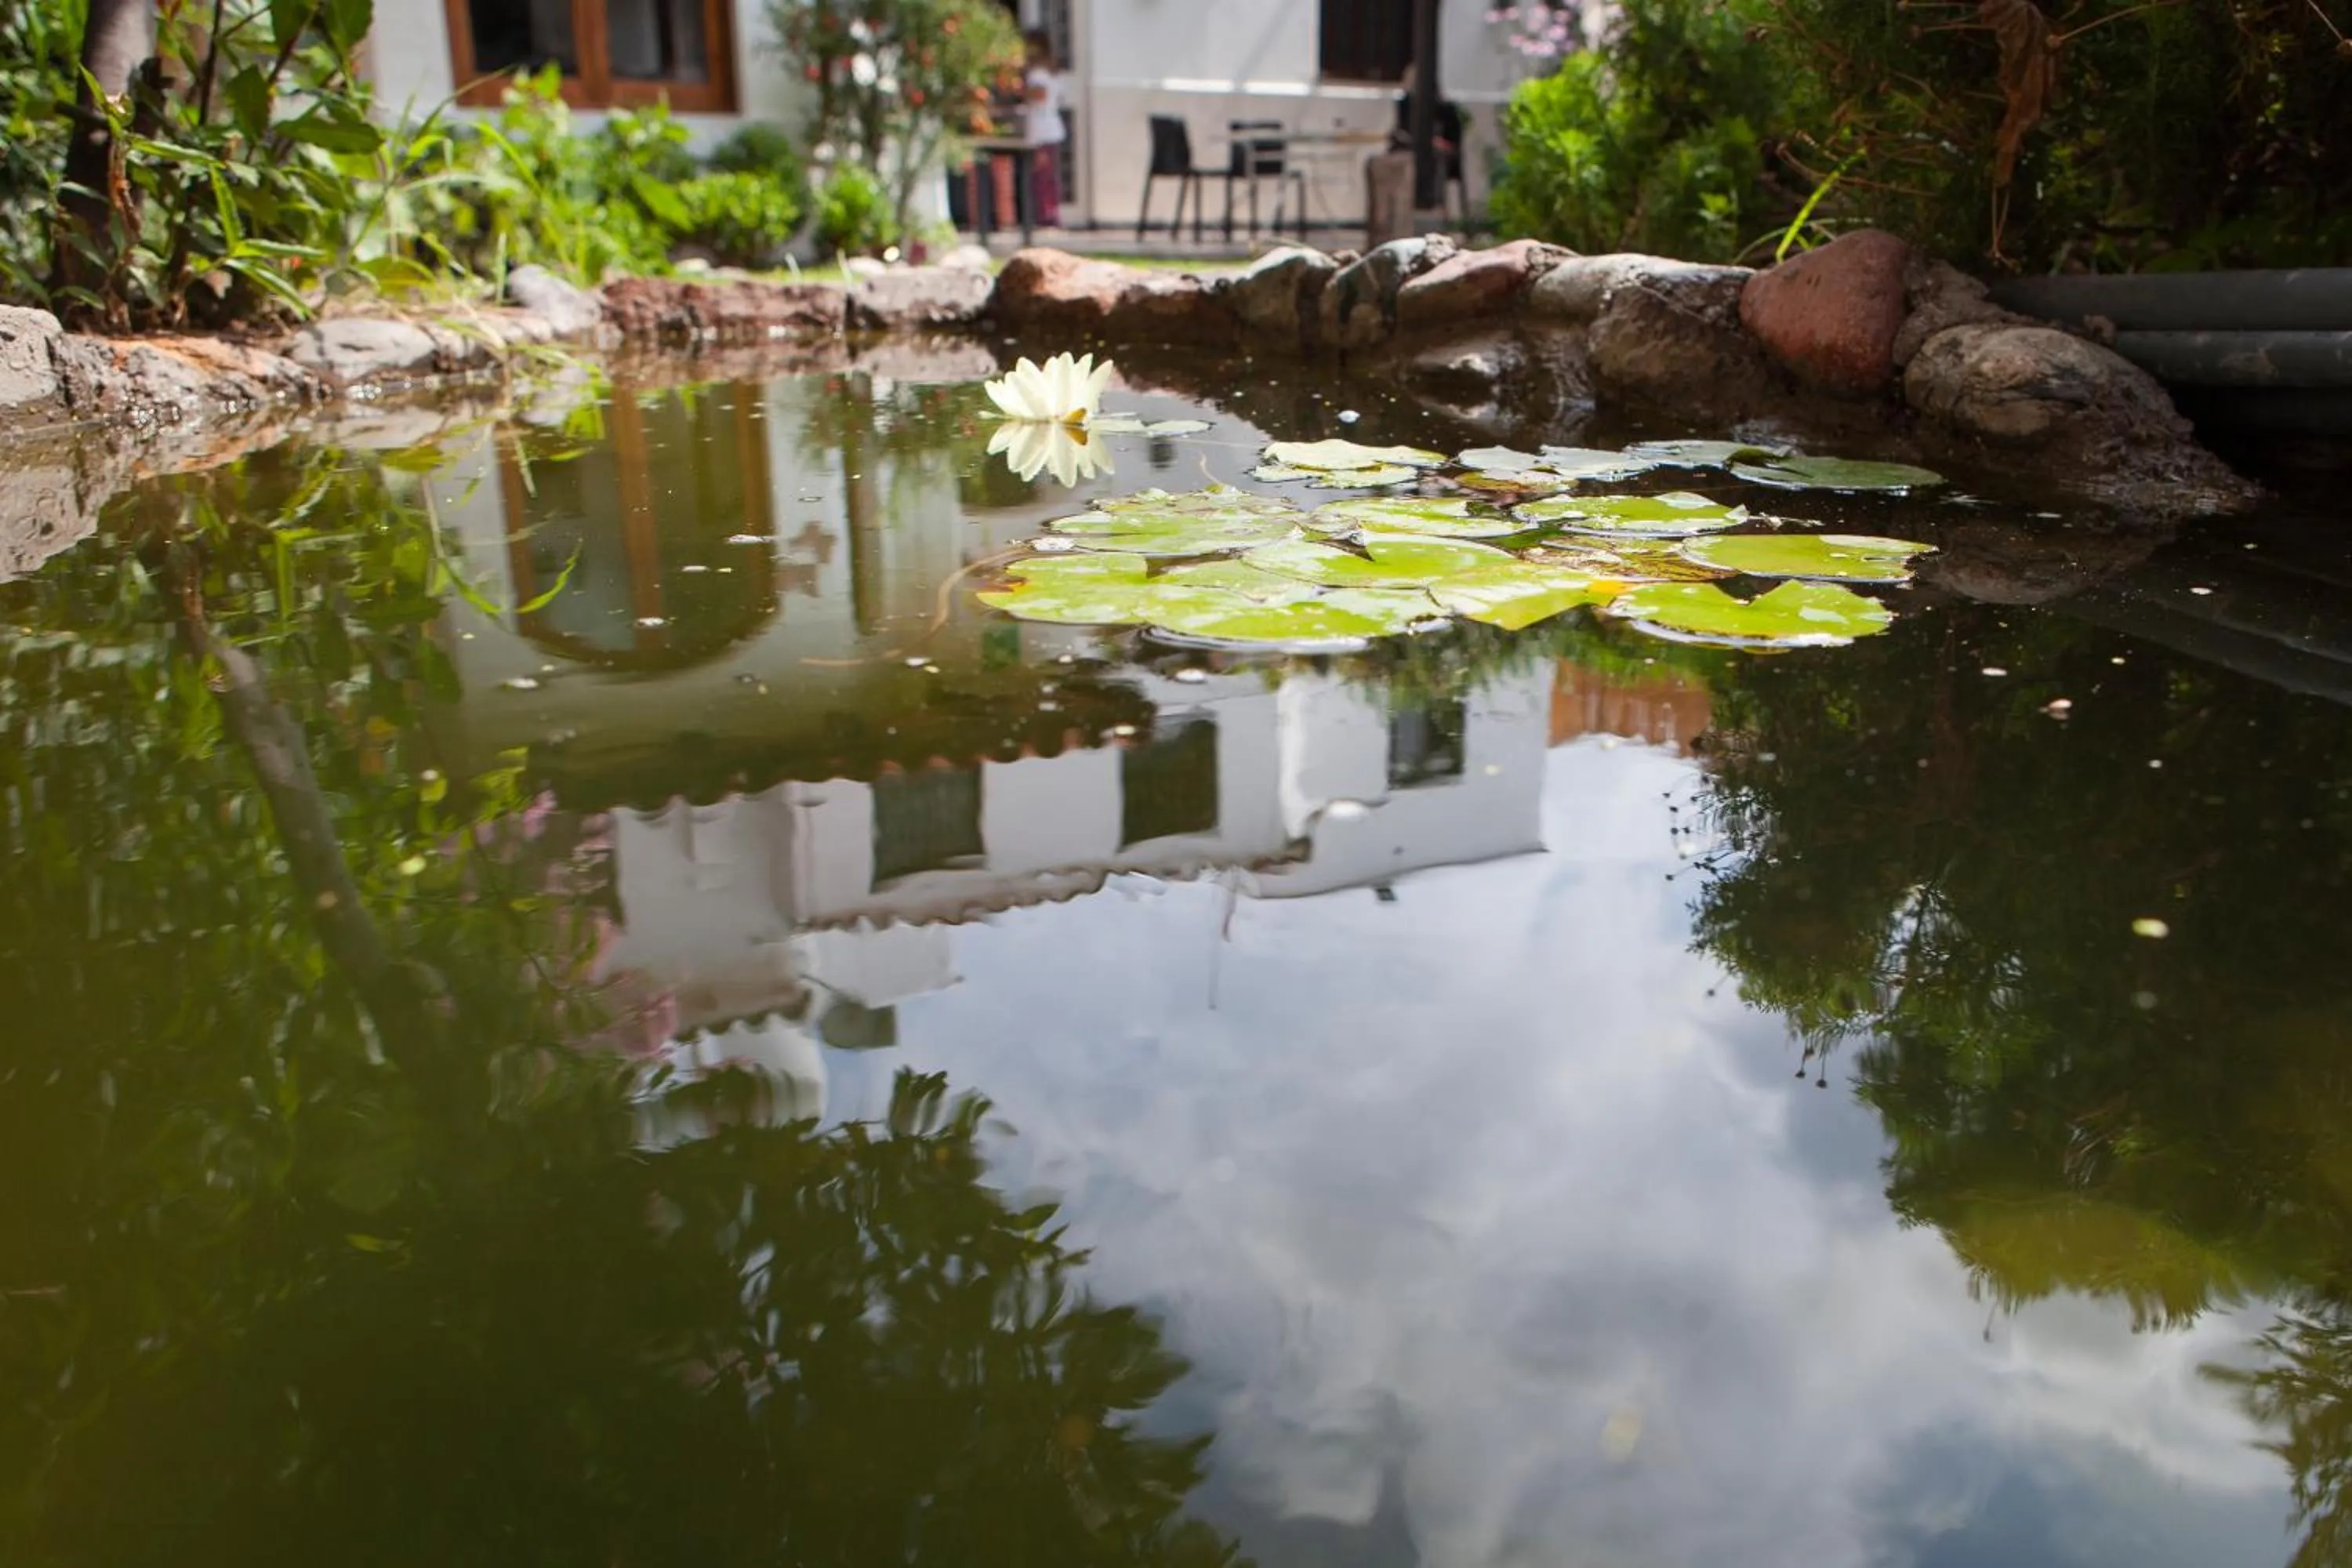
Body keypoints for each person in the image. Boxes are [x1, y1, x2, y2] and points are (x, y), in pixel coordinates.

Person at [1022, 30, 1067, 229]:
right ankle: (1049, 214)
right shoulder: (1051, 72)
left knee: (1043, 176)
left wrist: (1021, 91)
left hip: (1043, 131)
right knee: (1047, 176)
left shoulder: (1038, 74)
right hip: (1050, 129)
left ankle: (1047, 216)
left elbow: (1039, 95)